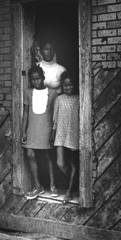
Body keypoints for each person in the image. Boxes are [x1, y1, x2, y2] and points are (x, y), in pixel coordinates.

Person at [22, 65, 58, 198]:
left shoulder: (53, 93)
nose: (36, 82)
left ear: (43, 78)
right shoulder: (27, 92)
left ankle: (53, 185)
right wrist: (24, 132)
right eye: (33, 79)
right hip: (32, 129)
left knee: (48, 157)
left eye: (38, 79)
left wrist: (53, 132)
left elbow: (55, 115)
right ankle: (38, 186)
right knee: (30, 154)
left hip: (46, 128)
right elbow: (25, 114)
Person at [51, 71, 79, 200]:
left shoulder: (79, 98)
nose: (68, 87)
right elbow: (55, 118)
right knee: (60, 163)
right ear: (62, 85)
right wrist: (53, 132)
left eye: (70, 84)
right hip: (60, 134)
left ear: (74, 85)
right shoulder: (59, 98)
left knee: (73, 164)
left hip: (74, 134)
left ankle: (69, 191)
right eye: (66, 85)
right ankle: (73, 184)